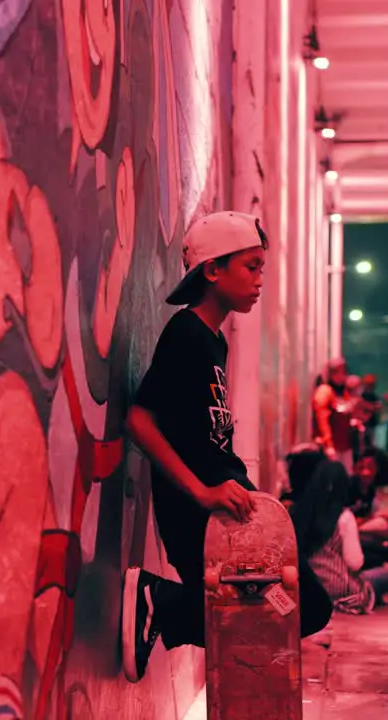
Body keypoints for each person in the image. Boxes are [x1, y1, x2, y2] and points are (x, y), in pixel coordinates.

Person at [120, 212, 331, 682]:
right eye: (250, 267)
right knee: (302, 607)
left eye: (262, 269)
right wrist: (201, 491)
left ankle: (166, 606)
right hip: (207, 515)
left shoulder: (214, 342)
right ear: (213, 271)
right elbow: (139, 419)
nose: (259, 281)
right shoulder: (186, 335)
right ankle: (165, 603)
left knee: (298, 606)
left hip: (234, 511)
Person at [289, 450, 388, 614]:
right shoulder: (343, 517)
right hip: (340, 591)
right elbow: (355, 562)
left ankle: (380, 596)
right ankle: (378, 596)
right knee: (385, 575)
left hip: (306, 591)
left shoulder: (291, 512)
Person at [313, 358, 357, 473]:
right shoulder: (325, 391)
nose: (340, 376)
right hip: (332, 446)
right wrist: (328, 444)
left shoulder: (343, 393)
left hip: (345, 445)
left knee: (345, 476)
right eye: (336, 372)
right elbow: (322, 419)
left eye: (343, 372)